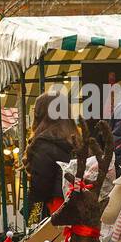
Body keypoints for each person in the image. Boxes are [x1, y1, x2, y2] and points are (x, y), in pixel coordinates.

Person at [23, 89, 80, 223]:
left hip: (55, 208)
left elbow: (40, 186)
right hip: (77, 204)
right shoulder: (78, 140)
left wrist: (31, 215)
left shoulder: (43, 144)